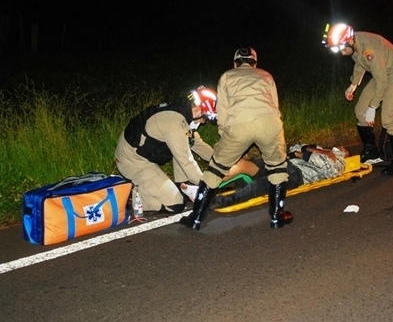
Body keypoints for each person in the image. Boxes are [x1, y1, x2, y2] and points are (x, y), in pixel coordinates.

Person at [179, 47, 293, 230]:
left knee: (215, 171)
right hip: (269, 123)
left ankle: (196, 219)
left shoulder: (226, 76)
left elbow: (222, 112)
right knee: (278, 168)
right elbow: (275, 104)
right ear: (255, 63)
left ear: (235, 63)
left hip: (239, 123)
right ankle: (277, 217)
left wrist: (225, 137)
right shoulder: (266, 75)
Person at [323, 22, 393, 175]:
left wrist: (373, 107)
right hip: (381, 73)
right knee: (359, 111)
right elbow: (359, 64)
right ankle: (371, 150)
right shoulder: (356, 44)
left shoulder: (370, 50)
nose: (343, 53)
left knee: (388, 117)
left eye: (343, 49)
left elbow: (382, 80)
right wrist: (353, 84)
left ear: (349, 41)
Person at [114, 86, 218, 213]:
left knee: (184, 145)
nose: (203, 122)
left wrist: (222, 162)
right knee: (175, 203)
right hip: (132, 161)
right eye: (205, 118)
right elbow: (187, 162)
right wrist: (208, 187)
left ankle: (180, 187)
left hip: (141, 155)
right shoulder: (175, 125)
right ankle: (128, 199)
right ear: (198, 110)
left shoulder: (182, 116)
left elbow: (197, 144)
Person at [212, 144, 350, 207]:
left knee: (263, 184)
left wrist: (308, 153)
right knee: (242, 164)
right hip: (282, 162)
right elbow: (295, 147)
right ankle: (206, 186)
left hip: (297, 174)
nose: (341, 148)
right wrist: (317, 150)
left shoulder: (340, 162)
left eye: (344, 150)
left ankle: (222, 201)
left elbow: (326, 167)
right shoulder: (322, 149)